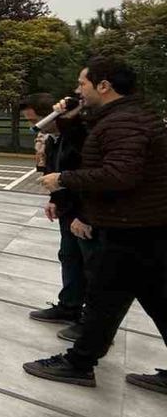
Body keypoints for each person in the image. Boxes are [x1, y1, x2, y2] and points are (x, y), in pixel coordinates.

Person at [25, 58, 167, 394]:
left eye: (82, 84)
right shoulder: (122, 117)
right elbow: (92, 152)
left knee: (106, 297)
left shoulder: (125, 123)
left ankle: (79, 363)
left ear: (104, 85)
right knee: (127, 300)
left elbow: (119, 174)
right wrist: (70, 122)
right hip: (140, 226)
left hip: (133, 227)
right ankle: (81, 360)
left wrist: (63, 179)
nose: (77, 91)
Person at [21, 94, 90, 340]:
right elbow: (54, 173)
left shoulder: (80, 136)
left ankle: (93, 324)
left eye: (37, 120)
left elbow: (90, 177)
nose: (35, 127)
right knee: (69, 256)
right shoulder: (53, 139)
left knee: (90, 265)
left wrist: (85, 215)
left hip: (86, 211)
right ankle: (69, 306)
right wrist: (54, 200)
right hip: (68, 209)